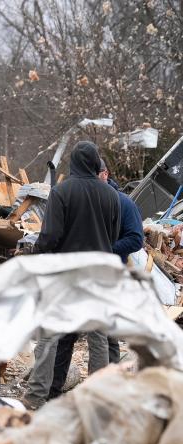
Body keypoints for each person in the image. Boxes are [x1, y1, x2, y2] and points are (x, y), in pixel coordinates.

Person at [21, 141, 120, 408]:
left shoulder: (62, 192)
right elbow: (112, 236)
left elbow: (50, 236)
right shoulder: (111, 195)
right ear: (95, 163)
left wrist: (37, 253)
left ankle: (35, 396)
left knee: (50, 337)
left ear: (73, 162)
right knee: (98, 339)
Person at [85, 160, 145, 373]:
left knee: (100, 328)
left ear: (105, 174)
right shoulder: (88, 201)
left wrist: (106, 248)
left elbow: (136, 239)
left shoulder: (123, 202)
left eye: (96, 173)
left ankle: (101, 381)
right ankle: (113, 374)